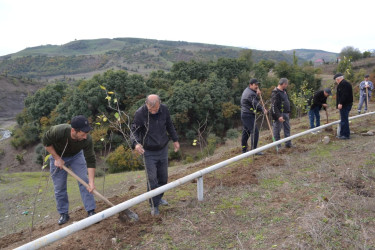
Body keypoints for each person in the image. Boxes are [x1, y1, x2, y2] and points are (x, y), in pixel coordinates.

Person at [42, 115, 97, 225]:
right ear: (73, 131)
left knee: (84, 182)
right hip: (58, 156)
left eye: (87, 133)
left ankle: (91, 211)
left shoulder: (87, 139)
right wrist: (57, 158)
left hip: (76, 156)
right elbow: (46, 143)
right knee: (59, 186)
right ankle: (63, 214)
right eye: (83, 134)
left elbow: (91, 160)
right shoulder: (59, 131)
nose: (86, 136)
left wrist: (91, 182)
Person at [131, 94, 180, 216]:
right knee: (152, 179)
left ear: (159, 104)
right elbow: (134, 131)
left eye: (155, 109)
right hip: (148, 151)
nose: (153, 112)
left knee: (163, 178)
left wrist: (175, 140)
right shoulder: (140, 113)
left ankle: (158, 198)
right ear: (146, 104)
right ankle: (154, 205)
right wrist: (136, 144)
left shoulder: (164, 109)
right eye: (150, 109)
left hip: (162, 148)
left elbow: (169, 125)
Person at [240, 78, 267, 155]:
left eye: (257, 85)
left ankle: (244, 149)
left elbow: (254, 101)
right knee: (255, 132)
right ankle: (254, 151)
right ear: (250, 85)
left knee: (246, 132)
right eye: (255, 85)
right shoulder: (250, 93)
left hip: (245, 114)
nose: (257, 86)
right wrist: (263, 109)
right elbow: (255, 104)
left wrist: (257, 93)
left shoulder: (248, 90)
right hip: (248, 114)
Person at [271, 78, 294, 148]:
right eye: (286, 84)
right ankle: (278, 146)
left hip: (286, 113)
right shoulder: (275, 93)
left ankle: (288, 143)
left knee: (287, 128)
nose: (287, 85)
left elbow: (286, 101)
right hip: (279, 115)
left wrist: (288, 111)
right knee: (277, 130)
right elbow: (274, 106)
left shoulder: (284, 91)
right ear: (283, 84)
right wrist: (278, 116)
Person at [334, 73, 353, 139]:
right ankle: (342, 134)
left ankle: (345, 135)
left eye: (336, 80)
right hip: (345, 104)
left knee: (344, 120)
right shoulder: (344, 84)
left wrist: (340, 103)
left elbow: (344, 95)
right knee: (343, 119)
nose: (336, 81)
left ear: (338, 79)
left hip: (345, 105)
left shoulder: (344, 84)